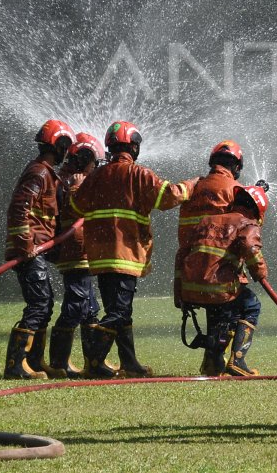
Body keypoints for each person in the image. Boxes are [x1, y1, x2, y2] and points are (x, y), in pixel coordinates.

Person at [70, 121, 197, 378]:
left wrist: (75, 185)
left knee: (119, 311)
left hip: (100, 257)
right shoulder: (138, 174)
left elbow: (76, 206)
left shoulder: (95, 177)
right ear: (134, 147)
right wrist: (191, 186)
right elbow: (168, 197)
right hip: (125, 254)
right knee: (119, 311)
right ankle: (94, 360)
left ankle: (129, 363)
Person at [175, 139, 268, 375]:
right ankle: (234, 360)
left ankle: (212, 364)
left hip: (192, 268)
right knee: (242, 307)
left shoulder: (195, 187)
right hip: (222, 269)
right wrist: (259, 272)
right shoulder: (231, 191)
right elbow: (241, 226)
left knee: (218, 312)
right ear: (237, 166)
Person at [3, 119, 75, 379]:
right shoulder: (40, 172)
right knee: (39, 303)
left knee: (45, 303)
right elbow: (19, 208)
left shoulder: (46, 173)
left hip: (36, 247)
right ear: (60, 145)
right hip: (29, 249)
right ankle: (16, 365)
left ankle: (34, 362)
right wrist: (26, 244)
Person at [43, 131, 104, 378]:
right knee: (76, 305)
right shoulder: (67, 181)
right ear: (84, 159)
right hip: (75, 251)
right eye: (93, 162)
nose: (95, 167)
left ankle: (94, 362)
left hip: (84, 250)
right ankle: (59, 363)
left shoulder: (74, 179)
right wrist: (78, 188)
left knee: (90, 308)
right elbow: (71, 211)